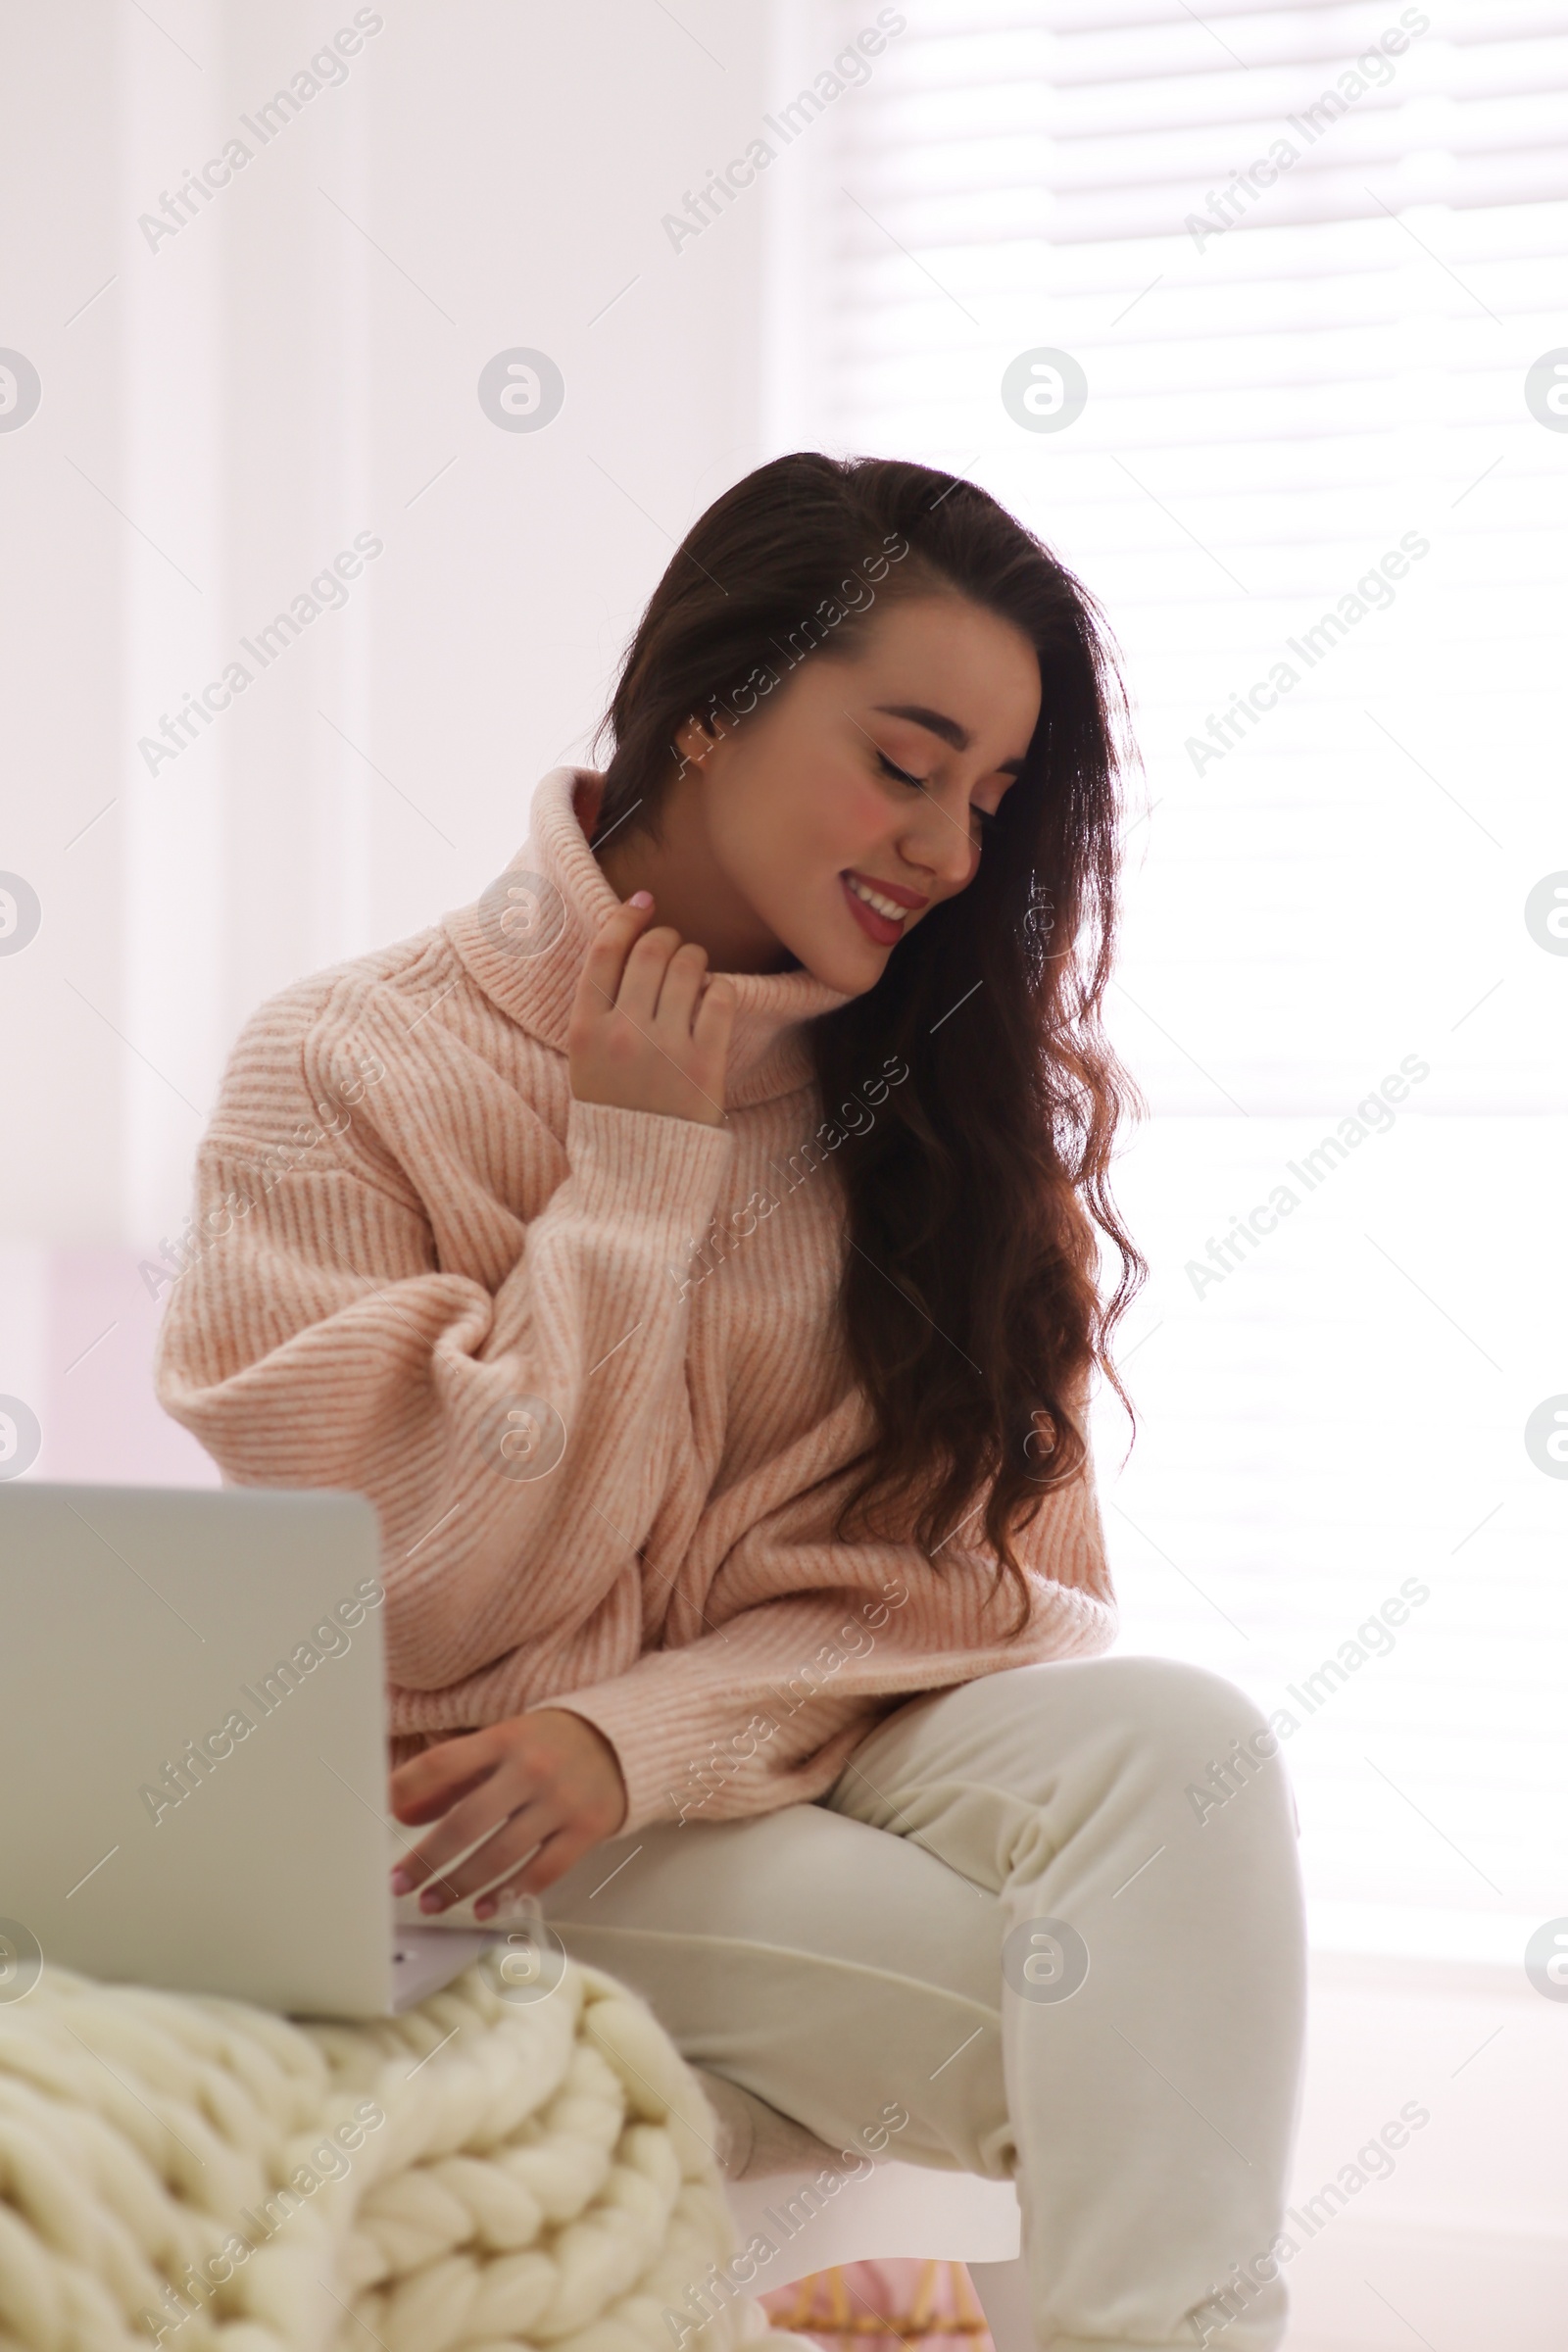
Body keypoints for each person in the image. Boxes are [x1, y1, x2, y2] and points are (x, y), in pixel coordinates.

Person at [155, 453, 1305, 2352]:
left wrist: (642, 1733)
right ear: (711, 707)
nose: (946, 852)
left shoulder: (928, 1092)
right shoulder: (343, 1070)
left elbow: (974, 1594)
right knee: (1112, 2032)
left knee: (1179, 1749)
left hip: (730, 1750)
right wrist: (628, 1179)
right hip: (463, 1815)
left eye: (991, 798)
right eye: (902, 760)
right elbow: (420, 1596)